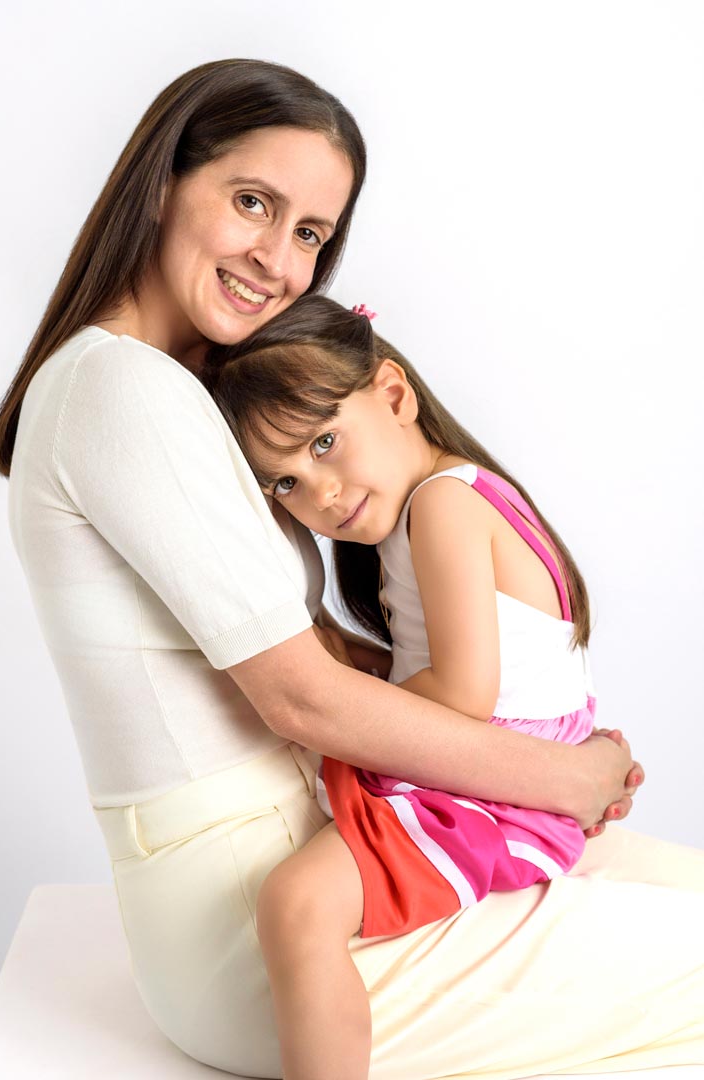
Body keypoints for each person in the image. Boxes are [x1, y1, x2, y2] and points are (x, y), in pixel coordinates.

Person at [0, 58, 704, 1080]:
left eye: (311, 234)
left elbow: (311, 653)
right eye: (250, 203)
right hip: (264, 927)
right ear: (159, 185)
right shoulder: (118, 388)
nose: (277, 259)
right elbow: (302, 700)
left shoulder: (186, 393)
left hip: (360, 830)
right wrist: (564, 775)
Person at [204, 294, 621, 1077]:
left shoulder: (443, 505)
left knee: (295, 907)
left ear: (394, 395)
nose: (319, 494)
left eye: (324, 443)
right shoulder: (438, 502)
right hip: (497, 765)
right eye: (285, 484)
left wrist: (327, 689)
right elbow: (440, 675)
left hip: (495, 789)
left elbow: (462, 698)